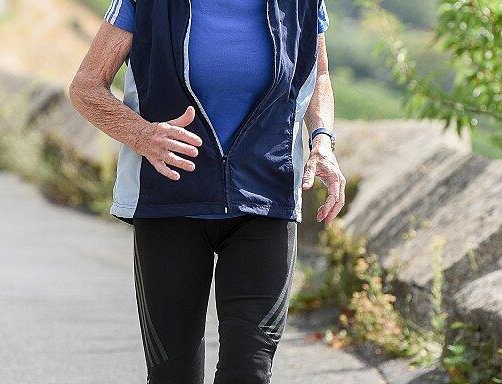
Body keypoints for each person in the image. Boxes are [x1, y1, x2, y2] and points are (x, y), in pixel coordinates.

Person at [69, 0, 345, 382]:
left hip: (266, 198)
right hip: (168, 201)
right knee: (173, 375)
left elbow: (318, 77)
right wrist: (142, 134)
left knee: (249, 372)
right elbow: (86, 88)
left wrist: (323, 141)